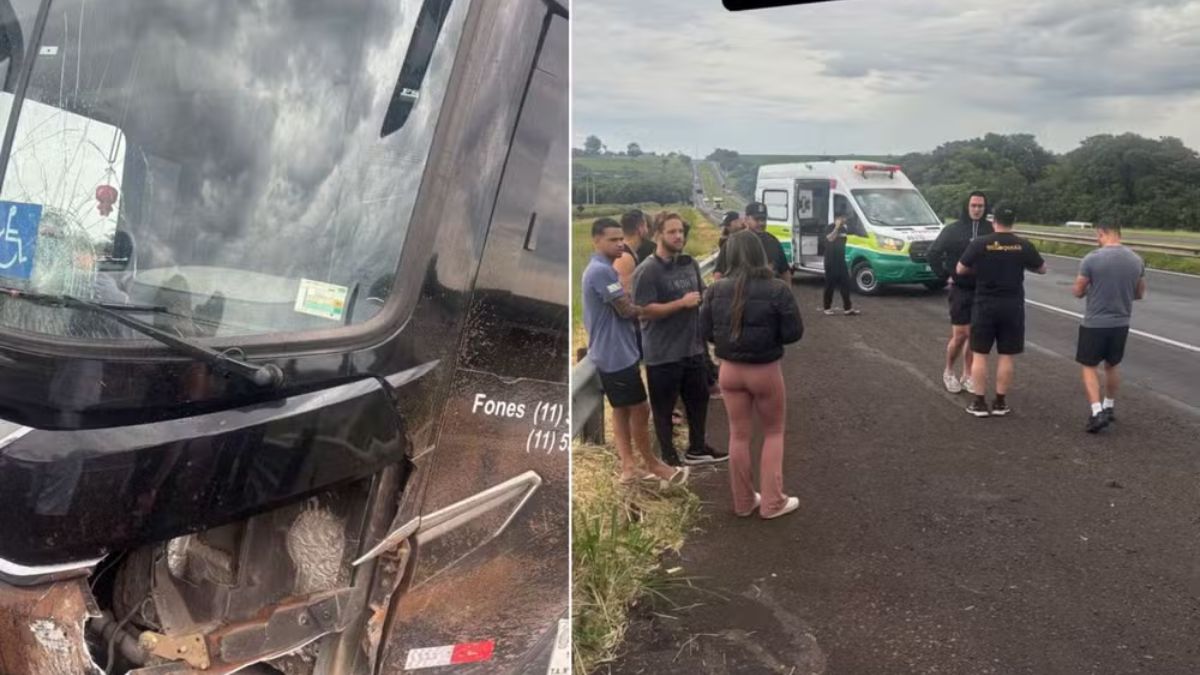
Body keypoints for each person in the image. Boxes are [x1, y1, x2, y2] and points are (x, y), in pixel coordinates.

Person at [701, 230, 803, 519]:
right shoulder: (776, 289)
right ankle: (773, 502)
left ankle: (743, 502)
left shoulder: (715, 289)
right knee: (773, 433)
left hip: (729, 371)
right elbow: (794, 332)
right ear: (760, 253)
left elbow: (705, 332)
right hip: (765, 370)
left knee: (739, 435)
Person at [582, 218, 688, 485]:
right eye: (612, 239)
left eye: (621, 238)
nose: (620, 244)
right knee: (640, 409)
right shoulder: (600, 272)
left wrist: (630, 302)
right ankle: (652, 464)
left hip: (617, 350)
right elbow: (625, 309)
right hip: (614, 354)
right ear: (596, 241)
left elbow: (624, 304)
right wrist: (649, 309)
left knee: (622, 410)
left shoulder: (603, 269)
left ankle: (629, 468)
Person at [632, 212, 728, 466]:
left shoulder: (689, 264)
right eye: (672, 232)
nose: (678, 236)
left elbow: (701, 293)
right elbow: (644, 310)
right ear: (657, 235)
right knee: (663, 410)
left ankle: (697, 447)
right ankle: (669, 458)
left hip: (693, 348)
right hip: (663, 353)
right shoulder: (647, 270)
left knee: (699, 401)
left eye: (681, 232)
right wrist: (681, 303)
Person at [956, 203, 1046, 417]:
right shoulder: (1023, 245)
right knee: (1006, 355)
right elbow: (1042, 268)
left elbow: (960, 269)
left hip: (985, 303)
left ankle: (978, 403)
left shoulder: (980, 243)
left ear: (993, 221)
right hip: (1012, 305)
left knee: (980, 354)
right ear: (1013, 221)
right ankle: (1000, 402)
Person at [1072, 220, 1146, 433]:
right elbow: (1140, 293)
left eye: (1098, 235)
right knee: (1112, 365)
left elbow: (1078, 290)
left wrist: (1091, 289)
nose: (1097, 239)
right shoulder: (1136, 259)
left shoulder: (1092, 259)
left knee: (1088, 366)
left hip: (1095, 322)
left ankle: (1096, 412)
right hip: (1121, 321)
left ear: (1103, 233)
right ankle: (1109, 406)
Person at [927, 191, 993, 394]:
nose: (976, 209)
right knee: (960, 335)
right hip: (960, 289)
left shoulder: (990, 230)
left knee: (974, 335)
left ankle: (967, 375)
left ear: (985, 208)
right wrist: (944, 275)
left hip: (982, 290)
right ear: (967, 206)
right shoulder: (953, 230)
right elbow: (933, 253)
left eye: (980, 206)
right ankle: (948, 371)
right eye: (973, 205)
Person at [718, 202, 791, 284]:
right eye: (757, 219)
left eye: (763, 219)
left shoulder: (773, 242)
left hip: (768, 294)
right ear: (746, 219)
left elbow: (785, 271)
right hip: (740, 294)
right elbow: (719, 272)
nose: (761, 223)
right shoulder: (733, 242)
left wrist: (788, 292)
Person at [821, 206, 859, 316]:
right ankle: (827, 307)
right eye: (842, 218)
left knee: (846, 283)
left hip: (840, 261)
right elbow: (829, 239)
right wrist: (836, 228)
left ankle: (848, 308)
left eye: (845, 218)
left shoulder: (844, 229)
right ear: (837, 218)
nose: (844, 220)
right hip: (830, 261)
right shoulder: (830, 227)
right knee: (830, 284)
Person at [712, 211, 746, 280]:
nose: (728, 228)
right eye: (726, 225)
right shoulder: (725, 243)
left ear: (737, 221)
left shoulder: (748, 238)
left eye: (729, 224)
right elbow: (719, 269)